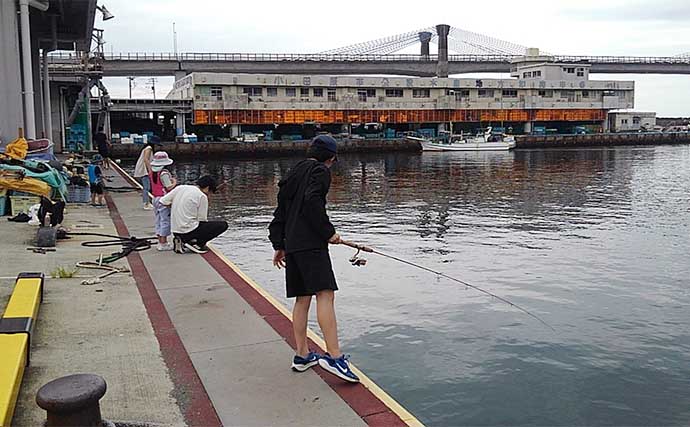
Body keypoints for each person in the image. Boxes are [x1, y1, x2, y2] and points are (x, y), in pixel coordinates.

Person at [268, 135, 359, 383]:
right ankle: (335, 357)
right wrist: (329, 233)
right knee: (326, 294)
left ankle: (302, 354)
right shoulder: (320, 171)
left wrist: (279, 244)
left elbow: (281, 211)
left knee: (302, 299)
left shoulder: (294, 172)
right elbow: (312, 203)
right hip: (310, 245)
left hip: (292, 245)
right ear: (330, 158)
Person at [159, 175, 228, 254]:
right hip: (188, 231)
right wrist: (208, 201)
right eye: (211, 192)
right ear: (208, 188)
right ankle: (197, 243)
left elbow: (163, 201)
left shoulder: (181, 187)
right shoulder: (202, 196)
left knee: (195, 224)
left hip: (175, 230)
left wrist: (176, 207)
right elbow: (202, 219)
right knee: (223, 225)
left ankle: (180, 240)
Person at [149, 151, 177, 251]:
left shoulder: (152, 172)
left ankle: (160, 240)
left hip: (155, 198)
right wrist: (174, 182)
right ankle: (163, 242)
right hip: (164, 199)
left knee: (158, 219)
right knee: (165, 220)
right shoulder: (164, 173)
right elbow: (169, 187)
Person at [133, 138, 157, 210]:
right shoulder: (149, 148)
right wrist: (150, 170)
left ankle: (147, 202)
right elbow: (146, 159)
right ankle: (146, 203)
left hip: (144, 169)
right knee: (146, 187)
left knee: (147, 187)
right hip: (144, 169)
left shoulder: (146, 148)